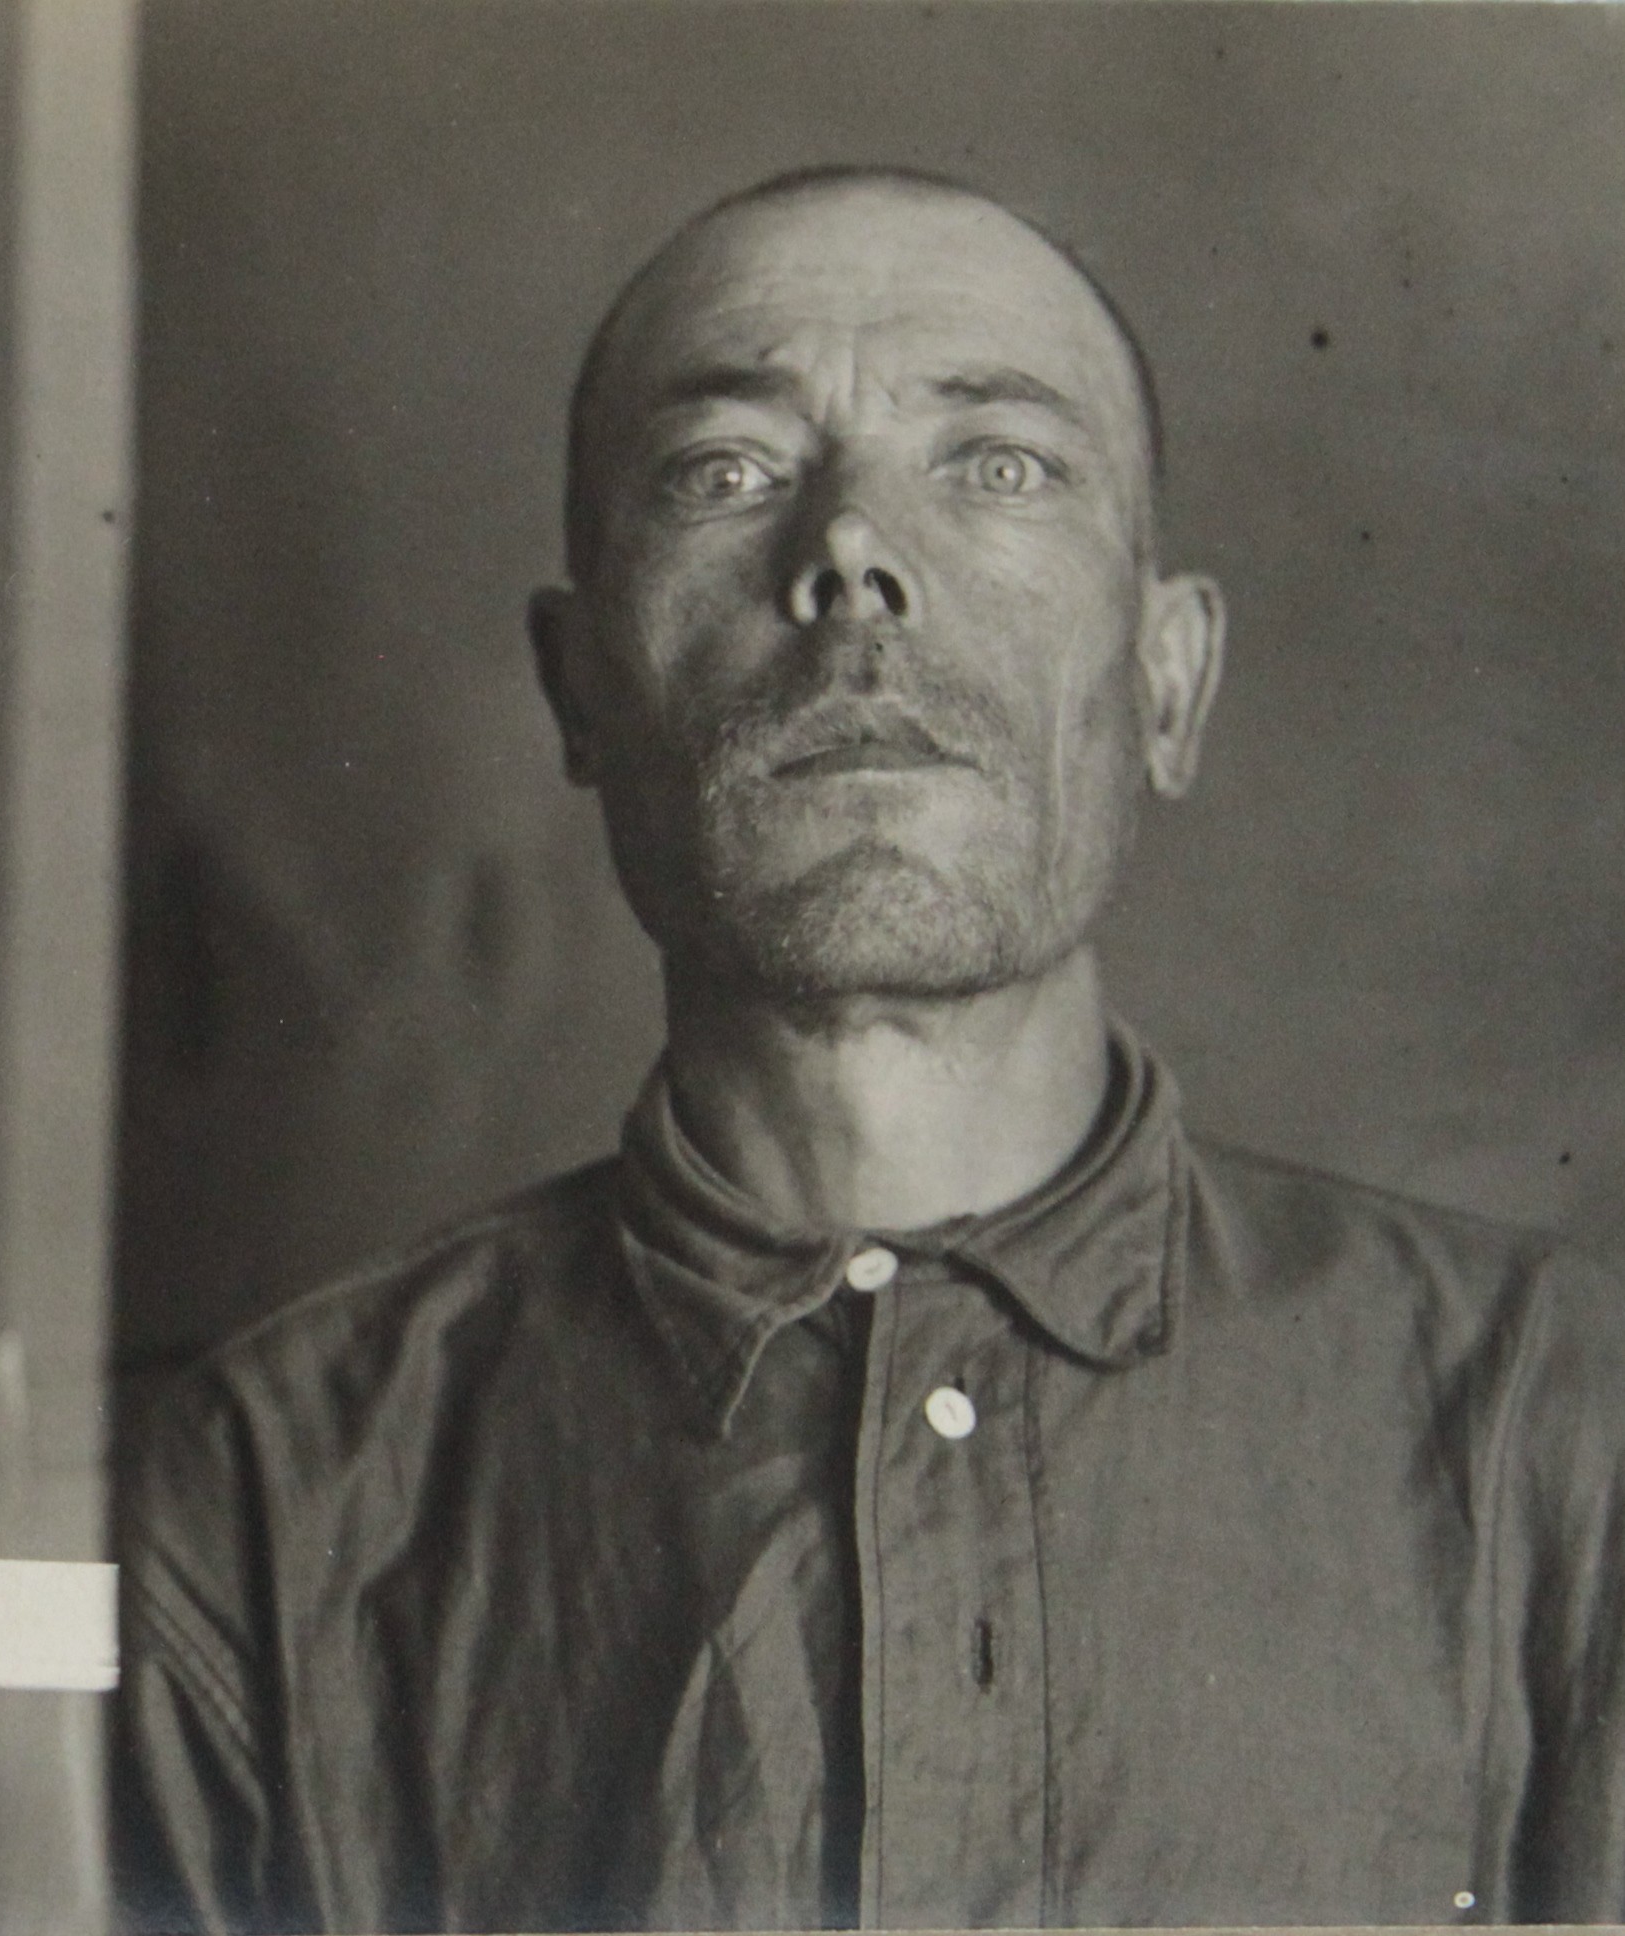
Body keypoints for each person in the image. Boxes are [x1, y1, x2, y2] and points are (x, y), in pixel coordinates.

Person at [112, 165, 1625, 1933]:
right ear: (579, 686)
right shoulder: (277, 1494)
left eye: (1000, 465)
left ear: (1168, 682)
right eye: (725, 472)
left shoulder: (1566, 1426)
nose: (849, 551)